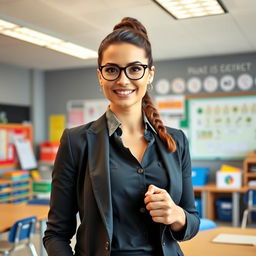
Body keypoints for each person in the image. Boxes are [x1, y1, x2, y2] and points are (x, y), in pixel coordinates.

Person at [43, 17, 200, 256]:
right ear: (100, 75)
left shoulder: (176, 142)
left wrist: (176, 215)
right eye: (112, 70)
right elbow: (56, 234)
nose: (123, 80)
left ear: (150, 74)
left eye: (135, 68)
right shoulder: (76, 142)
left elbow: (191, 222)